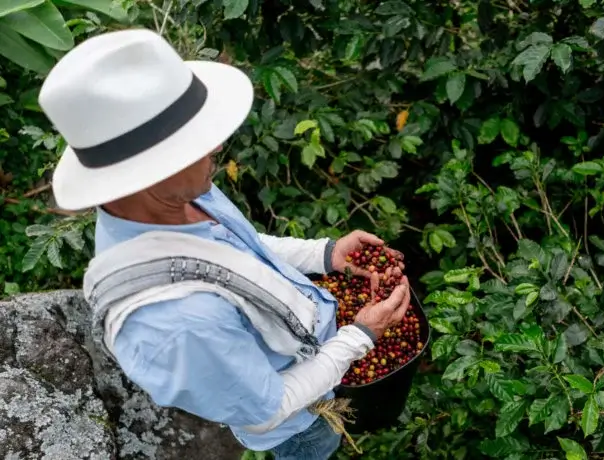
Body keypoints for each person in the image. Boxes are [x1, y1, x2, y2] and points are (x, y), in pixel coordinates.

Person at [37, 28, 411, 460]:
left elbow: (233, 245)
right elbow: (265, 410)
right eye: (195, 142)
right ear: (145, 174)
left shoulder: (177, 195)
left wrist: (322, 254)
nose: (216, 145)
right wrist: (361, 336)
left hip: (317, 352)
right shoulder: (176, 323)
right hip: (299, 421)